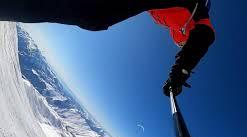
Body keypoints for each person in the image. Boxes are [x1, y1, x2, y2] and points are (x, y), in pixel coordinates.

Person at [1, 0, 215, 96]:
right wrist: (180, 73)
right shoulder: (199, 15)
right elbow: (204, 37)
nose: (180, 44)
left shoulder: (175, 23)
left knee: (95, 17)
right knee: (95, 15)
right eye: (182, 42)